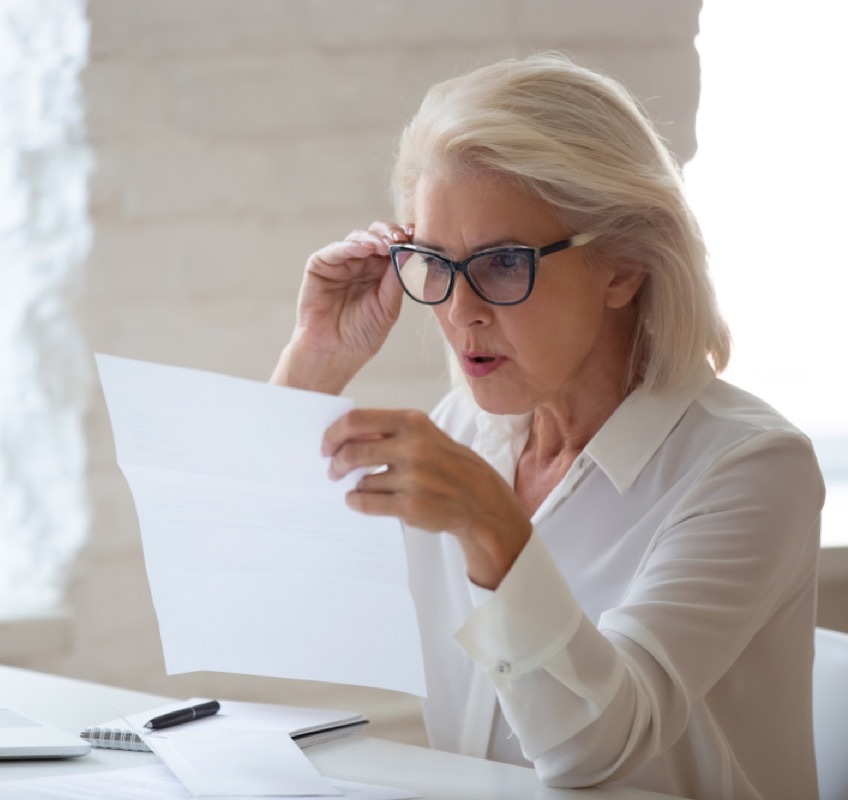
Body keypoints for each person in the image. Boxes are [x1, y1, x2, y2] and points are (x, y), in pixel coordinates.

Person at [270, 53, 824, 800]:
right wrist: (316, 361)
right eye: (435, 260)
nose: (460, 311)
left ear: (622, 267)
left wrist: (497, 529)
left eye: (502, 263)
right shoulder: (468, 429)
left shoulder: (751, 469)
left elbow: (595, 754)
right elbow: (271, 597)